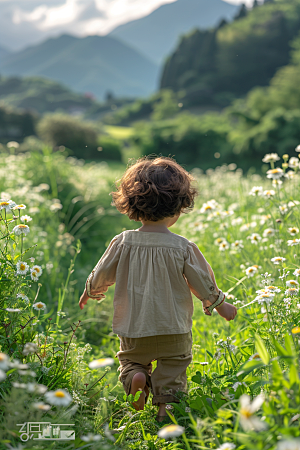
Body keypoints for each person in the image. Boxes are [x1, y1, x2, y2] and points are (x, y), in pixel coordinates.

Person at [79, 156, 237, 422]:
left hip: (134, 326)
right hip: (173, 327)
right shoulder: (183, 247)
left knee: (130, 361)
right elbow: (202, 280)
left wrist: (91, 289)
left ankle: (135, 378)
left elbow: (103, 270)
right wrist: (220, 303)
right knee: (174, 369)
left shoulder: (123, 242)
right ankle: (167, 409)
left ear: (132, 204)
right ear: (179, 206)